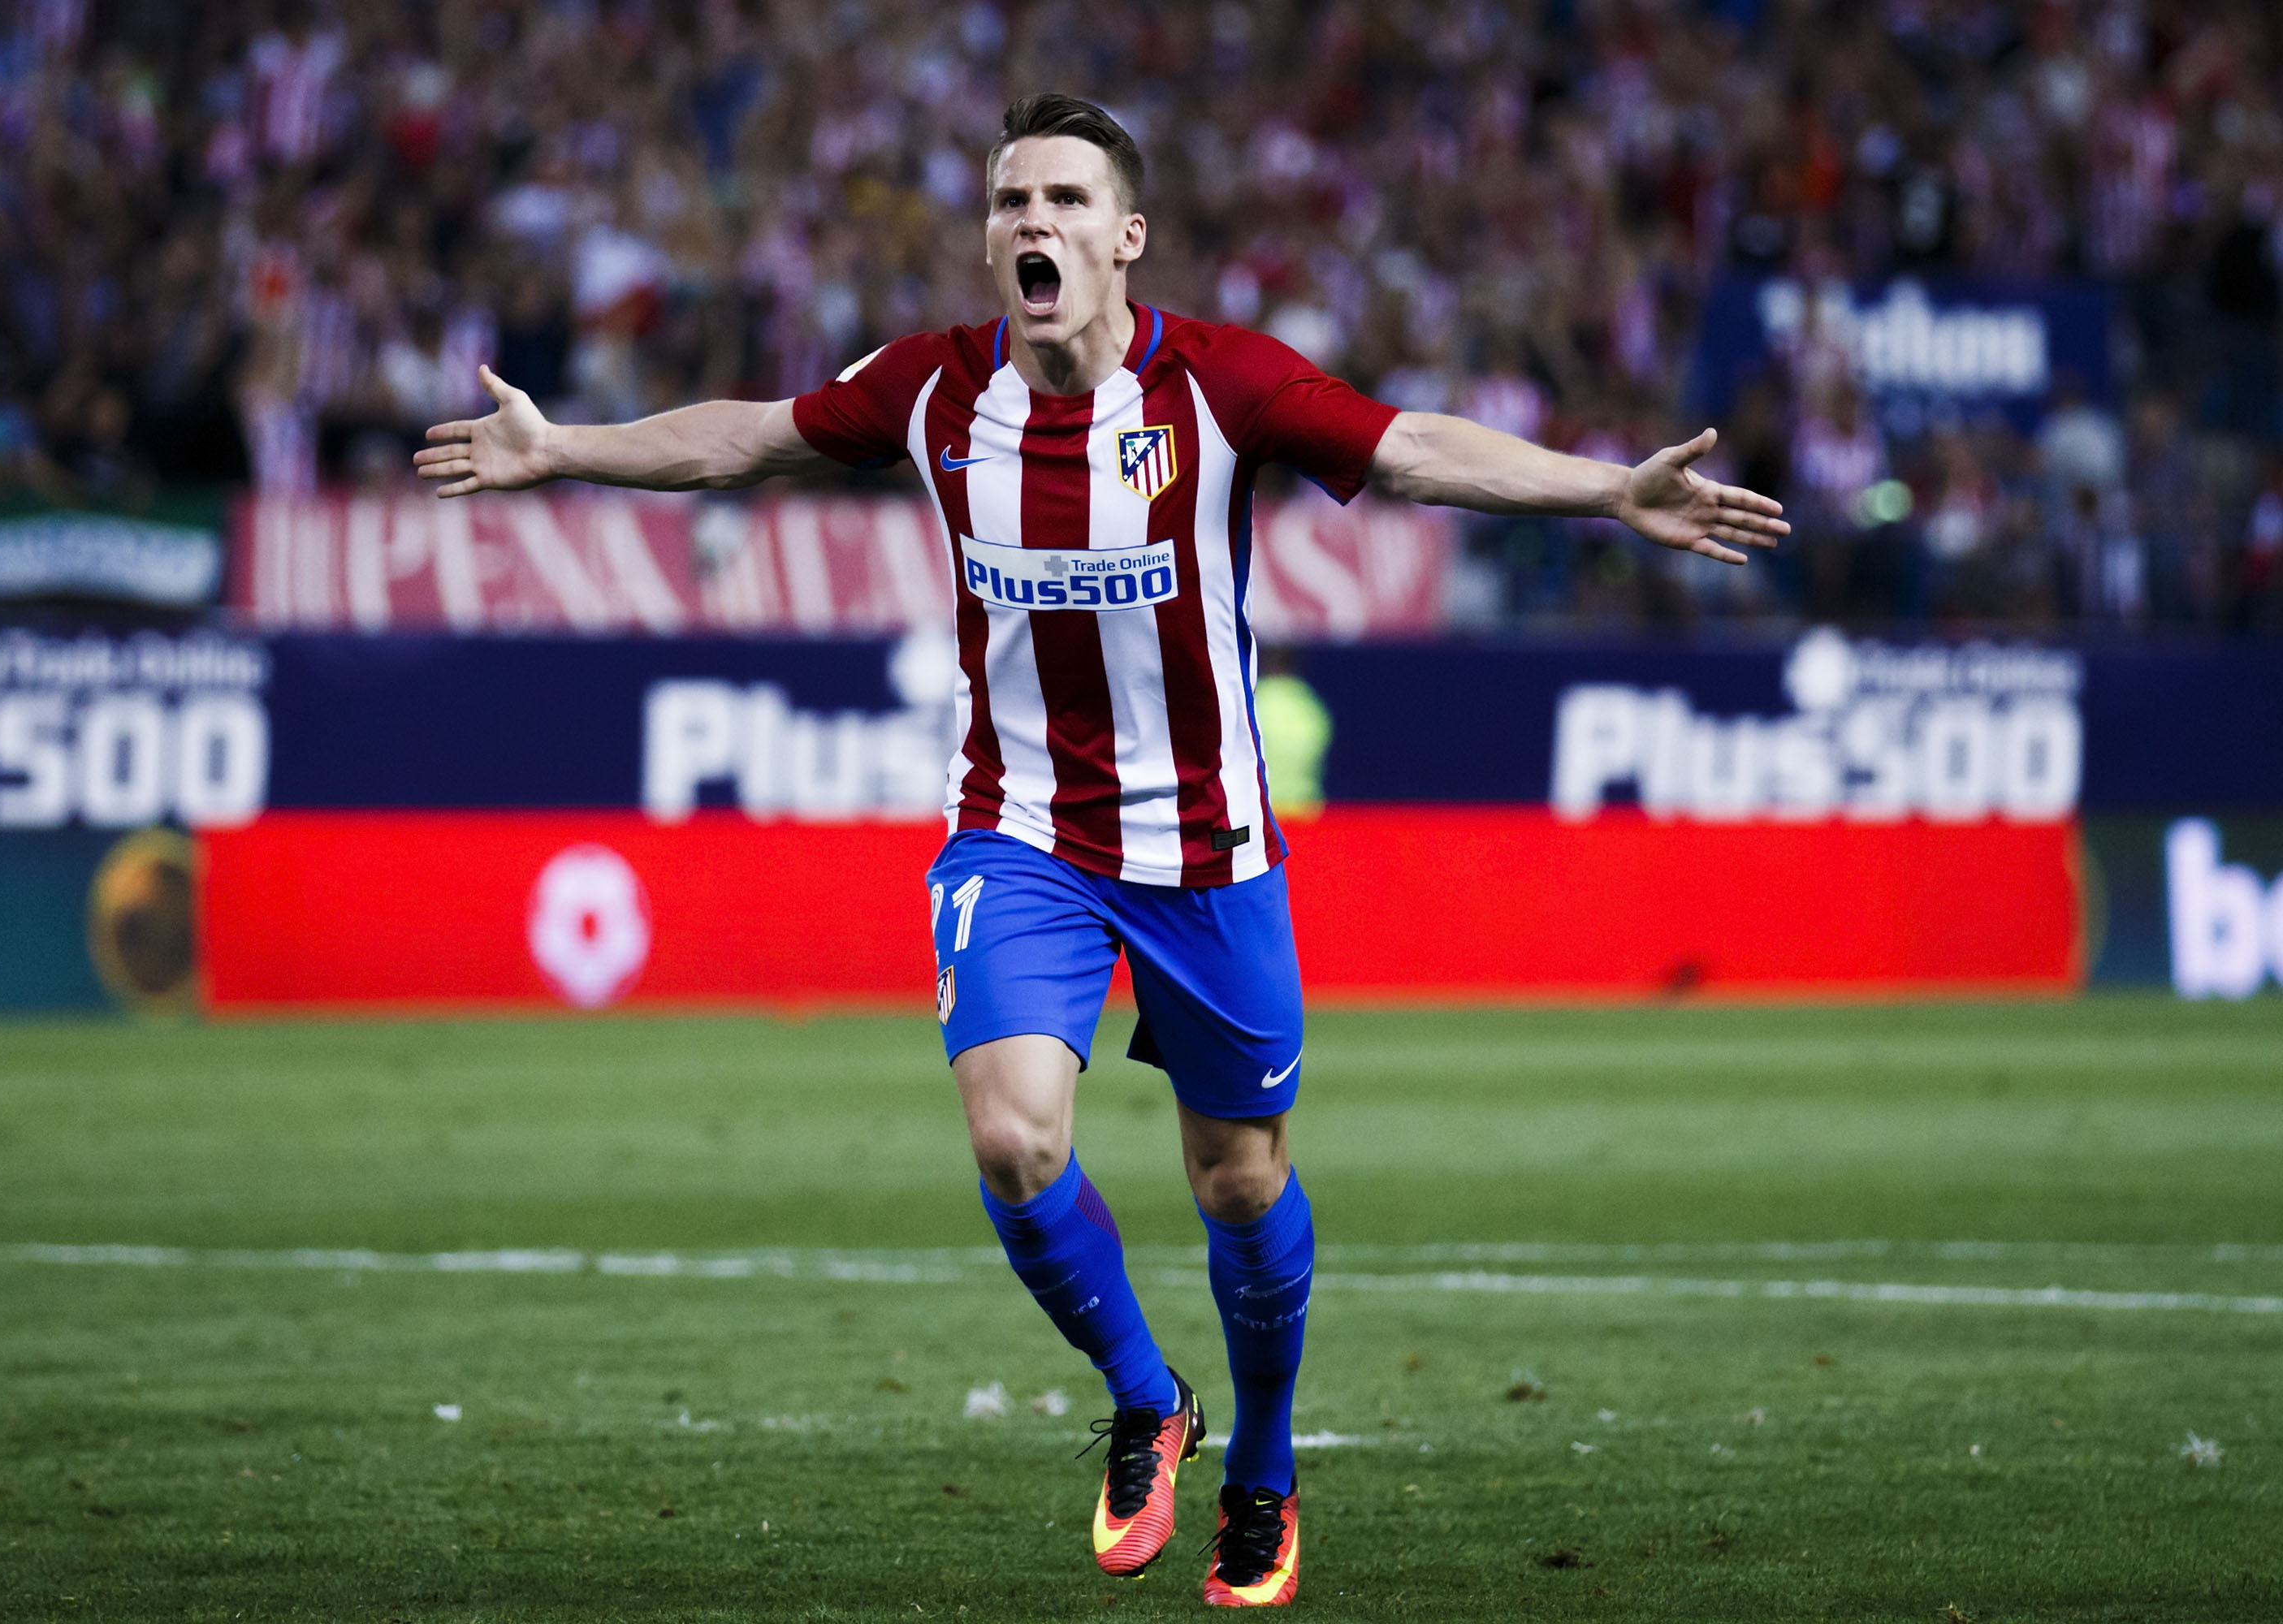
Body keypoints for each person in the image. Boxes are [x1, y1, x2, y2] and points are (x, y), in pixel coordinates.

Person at [416, 93, 1785, 1609]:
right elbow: (748, 435)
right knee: (1015, 1140)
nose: (1031, 225)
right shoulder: (934, 391)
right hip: (1019, 834)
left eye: (1065, 200)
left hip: (1209, 851)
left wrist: (1608, 488)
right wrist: (567, 452)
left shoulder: (1219, 386)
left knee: (1241, 1187)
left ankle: (1261, 1467)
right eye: (1010, 203)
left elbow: (1407, 450)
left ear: (1125, 238)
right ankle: (1148, 1400)